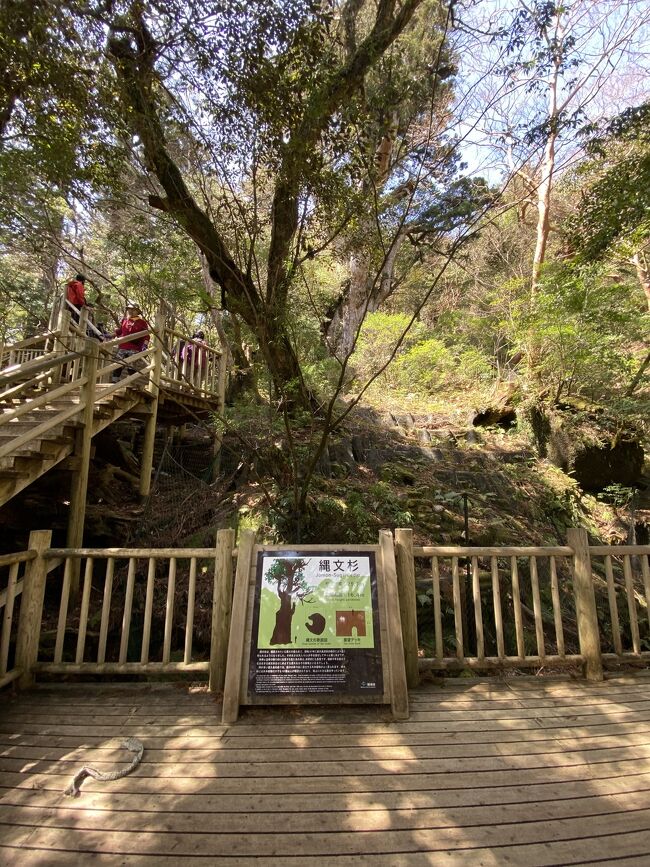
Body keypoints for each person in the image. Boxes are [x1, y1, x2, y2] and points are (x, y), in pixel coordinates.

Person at [112, 303, 150, 382]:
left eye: (133, 310)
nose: (130, 311)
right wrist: (110, 335)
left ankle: (130, 384)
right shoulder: (125, 321)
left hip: (134, 348)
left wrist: (145, 345)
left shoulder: (142, 323)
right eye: (129, 309)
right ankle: (114, 382)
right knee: (118, 364)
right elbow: (120, 332)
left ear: (137, 311)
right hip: (123, 346)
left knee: (131, 366)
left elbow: (146, 336)